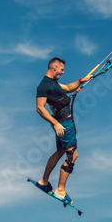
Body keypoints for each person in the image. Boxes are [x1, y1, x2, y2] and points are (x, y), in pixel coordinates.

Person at [35, 57, 92, 204]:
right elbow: (39, 108)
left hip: (63, 123)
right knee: (72, 155)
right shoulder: (44, 85)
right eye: (62, 69)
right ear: (54, 68)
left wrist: (82, 80)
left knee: (60, 151)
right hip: (63, 124)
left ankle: (44, 181)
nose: (63, 71)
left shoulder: (53, 83)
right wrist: (55, 123)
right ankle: (61, 190)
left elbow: (67, 88)